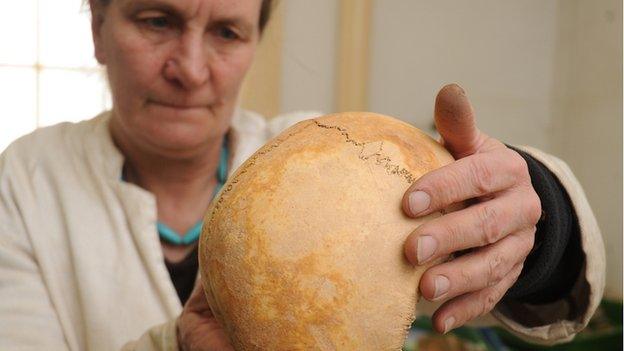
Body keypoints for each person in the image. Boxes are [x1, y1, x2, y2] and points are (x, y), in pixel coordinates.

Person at [0, 0, 604, 350]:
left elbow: (522, 255)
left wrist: (537, 217)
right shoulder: (26, 180)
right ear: (97, 31)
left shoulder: (327, 159)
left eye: (226, 32)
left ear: (255, 42)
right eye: (157, 20)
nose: (188, 68)